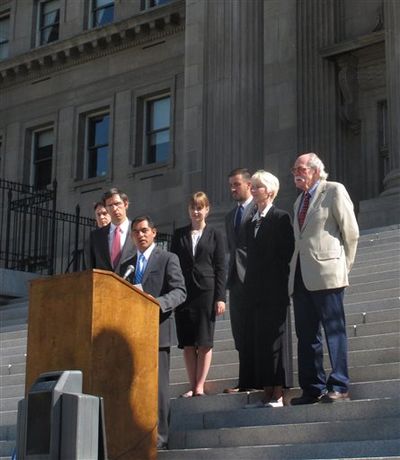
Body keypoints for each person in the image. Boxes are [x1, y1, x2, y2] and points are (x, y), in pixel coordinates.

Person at [289, 153, 359, 405]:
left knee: (334, 330)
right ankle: (312, 387)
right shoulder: (299, 202)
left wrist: (343, 267)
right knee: (307, 335)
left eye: (301, 168)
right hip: (300, 276)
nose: (296, 172)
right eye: (294, 169)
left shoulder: (334, 190)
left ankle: (339, 385)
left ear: (316, 171)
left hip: (328, 274)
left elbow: (350, 232)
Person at [120, 216, 186, 450]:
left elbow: (180, 291)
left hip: (158, 331)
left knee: (158, 389)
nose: (141, 235)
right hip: (132, 335)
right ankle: (135, 435)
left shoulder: (168, 258)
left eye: (145, 230)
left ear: (154, 232)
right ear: (132, 236)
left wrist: (156, 303)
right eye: (136, 232)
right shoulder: (125, 265)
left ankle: (160, 439)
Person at [242, 170, 294, 407]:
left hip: (274, 289)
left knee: (276, 340)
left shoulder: (281, 217)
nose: (253, 190)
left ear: (270, 191)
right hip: (255, 292)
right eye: (252, 186)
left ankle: (279, 390)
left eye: (258, 187)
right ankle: (266, 388)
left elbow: (285, 253)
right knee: (260, 340)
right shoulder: (251, 220)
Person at [171, 192, 226, 397]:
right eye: (193, 207)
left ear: (207, 210)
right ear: (188, 210)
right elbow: (173, 266)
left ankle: (199, 386)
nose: (196, 211)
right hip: (184, 293)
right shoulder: (179, 235)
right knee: (187, 342)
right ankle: (191, 384)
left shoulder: (215, 234)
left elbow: (221, 267)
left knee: (203, 341)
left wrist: (220, 297)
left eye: (200, 207)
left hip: (206, 292)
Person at [224, 168, 257, 393]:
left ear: (248, 184)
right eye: (231, 186)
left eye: (236, 184)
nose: (233, 189)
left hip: (254, 277)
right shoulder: (229, 216)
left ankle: (258, 379)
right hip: (235, 278)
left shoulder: (259, 209)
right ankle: (245, 380)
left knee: (255, 329)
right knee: (240, 331)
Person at [87, 188, 135, 272]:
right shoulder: (96, 236)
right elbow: (90, 269)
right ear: (106, 208)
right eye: (110, 205)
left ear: (126, 204)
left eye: (117, 204)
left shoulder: (137, 232)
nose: (114, 208)